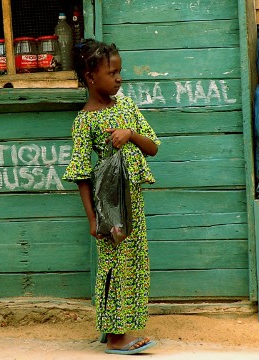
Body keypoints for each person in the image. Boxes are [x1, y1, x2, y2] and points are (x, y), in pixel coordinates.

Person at [62, 39, 160, 355]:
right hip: (110, 206)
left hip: (135, 201)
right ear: (91, 78)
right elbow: (80, 172)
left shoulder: (127, 107)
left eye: (119, 72)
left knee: (132, 264)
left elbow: (153, 147)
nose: (119, 78)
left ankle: (116, 328)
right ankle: (117, 338)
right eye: (112, 73)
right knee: (114, 266)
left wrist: (130, 135)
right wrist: (93, 219)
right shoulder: (85, 121)